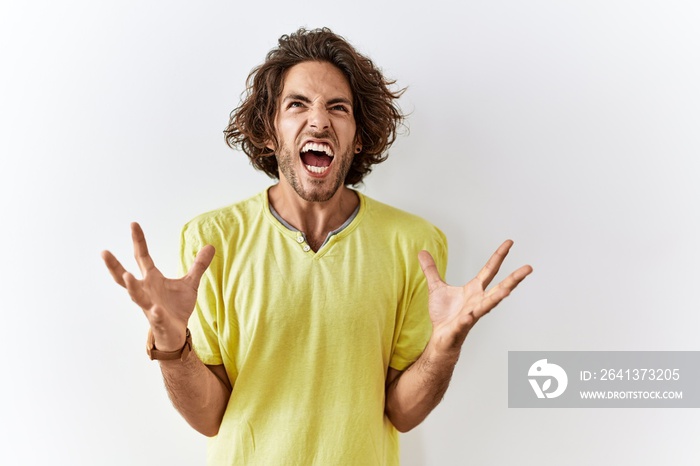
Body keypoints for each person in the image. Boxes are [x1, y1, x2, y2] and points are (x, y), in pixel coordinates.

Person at [102, 27, 532, 465]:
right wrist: (172, 345)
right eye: (297, 104)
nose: (319, 120)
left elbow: (401, 413)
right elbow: (210, 416)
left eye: (338, 108)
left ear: (358, 136)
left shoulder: (415, 245)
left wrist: (444, 349)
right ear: (270, 130)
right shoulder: (212, 242)